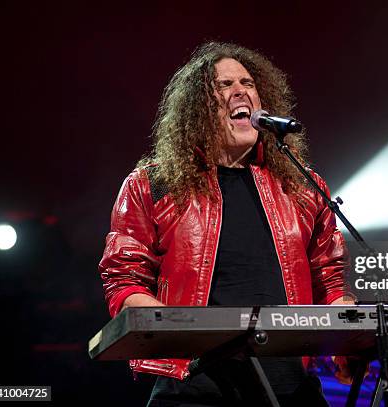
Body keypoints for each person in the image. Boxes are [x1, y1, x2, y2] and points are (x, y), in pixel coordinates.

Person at [99, 42, 356, 406]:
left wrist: (348, 345)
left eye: (248, 83)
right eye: (223, 85)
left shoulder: (302, 187)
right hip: (195, 386)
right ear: (197, 110)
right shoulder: (152, 184)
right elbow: (124, 278)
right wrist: (175, 331)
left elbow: (330, 277)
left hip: (290, 386)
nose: (240, 91)